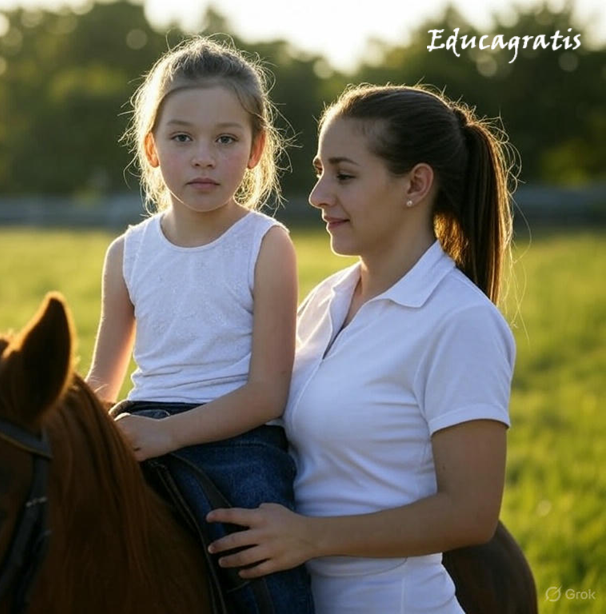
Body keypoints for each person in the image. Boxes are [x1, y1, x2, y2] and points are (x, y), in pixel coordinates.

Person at [206, 84, 517, 613]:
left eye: (344, 176)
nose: (318, 195)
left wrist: (310, 537)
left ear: (416, 184)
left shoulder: (460, 322)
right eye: (320, 171)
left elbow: (471, 514)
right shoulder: (326, 298)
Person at [85, 37, 315, 613]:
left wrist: (172, 435)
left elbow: (267, 394)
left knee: (264, 572)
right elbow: (103, 382)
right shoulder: (127, 252)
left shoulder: (266, 244)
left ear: (256, 149)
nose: (204, 157)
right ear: (152, 147)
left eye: (226, 139)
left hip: (239, 441)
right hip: (139, 428)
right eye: (182, 137)